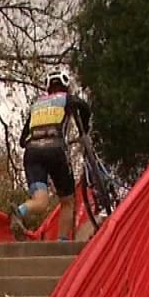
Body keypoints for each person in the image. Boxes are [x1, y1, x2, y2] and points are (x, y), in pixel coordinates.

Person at [10, 70, 93, 242]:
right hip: (56, 150)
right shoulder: (67, 98)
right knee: (67, 201)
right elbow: (85, 108)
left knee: (40, 202)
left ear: (48, 88)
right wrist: (84, 131)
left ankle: (20, 211)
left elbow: (22, 141)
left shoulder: (37, 104)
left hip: (32, 153)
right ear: (66, 87)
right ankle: (62, 241)